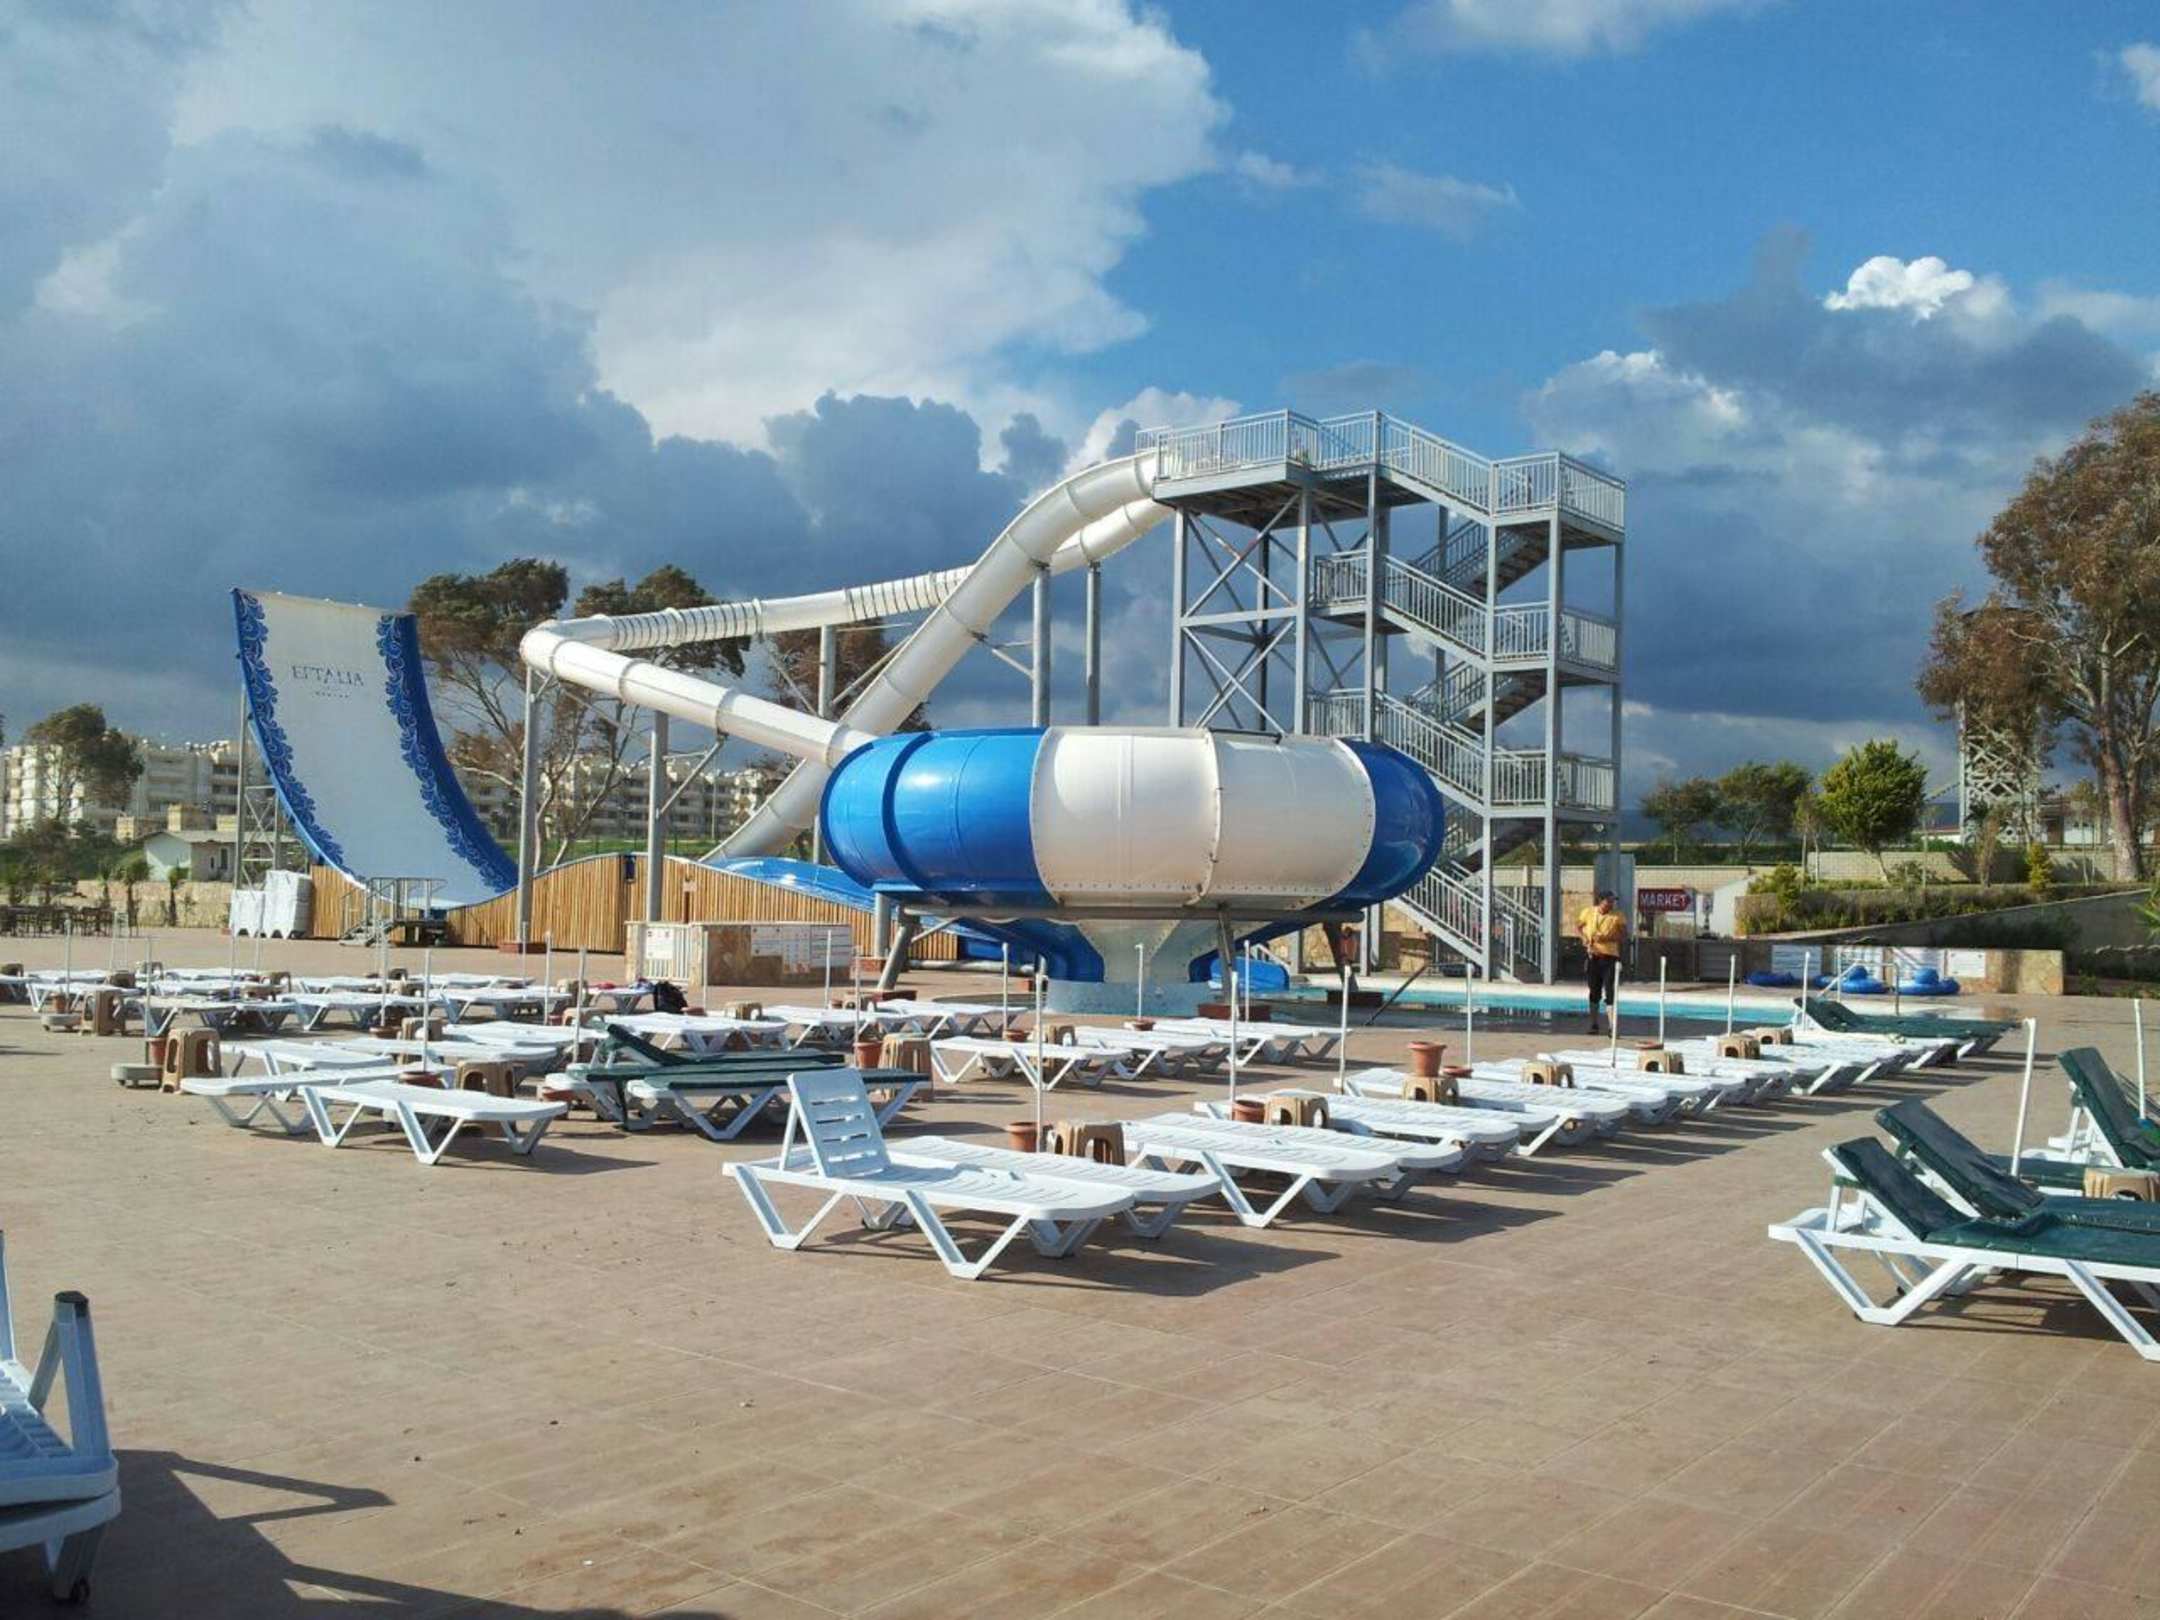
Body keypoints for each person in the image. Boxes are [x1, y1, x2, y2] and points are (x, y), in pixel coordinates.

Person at [1576, 891, 1626, 1033]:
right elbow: (1578, 926)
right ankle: (1594, 1024)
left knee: (1610, 990)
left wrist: (1607, 938)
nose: (1611, 904)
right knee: (1594, 990)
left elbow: (1623, 935)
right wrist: (1584, 938)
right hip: (1593, 956)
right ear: (1601, 901)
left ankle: (1612, 1026)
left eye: (1612, 901)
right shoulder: (1588, 912)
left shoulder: (1617, 916)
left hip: (1610, 957)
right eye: (1608, 901)